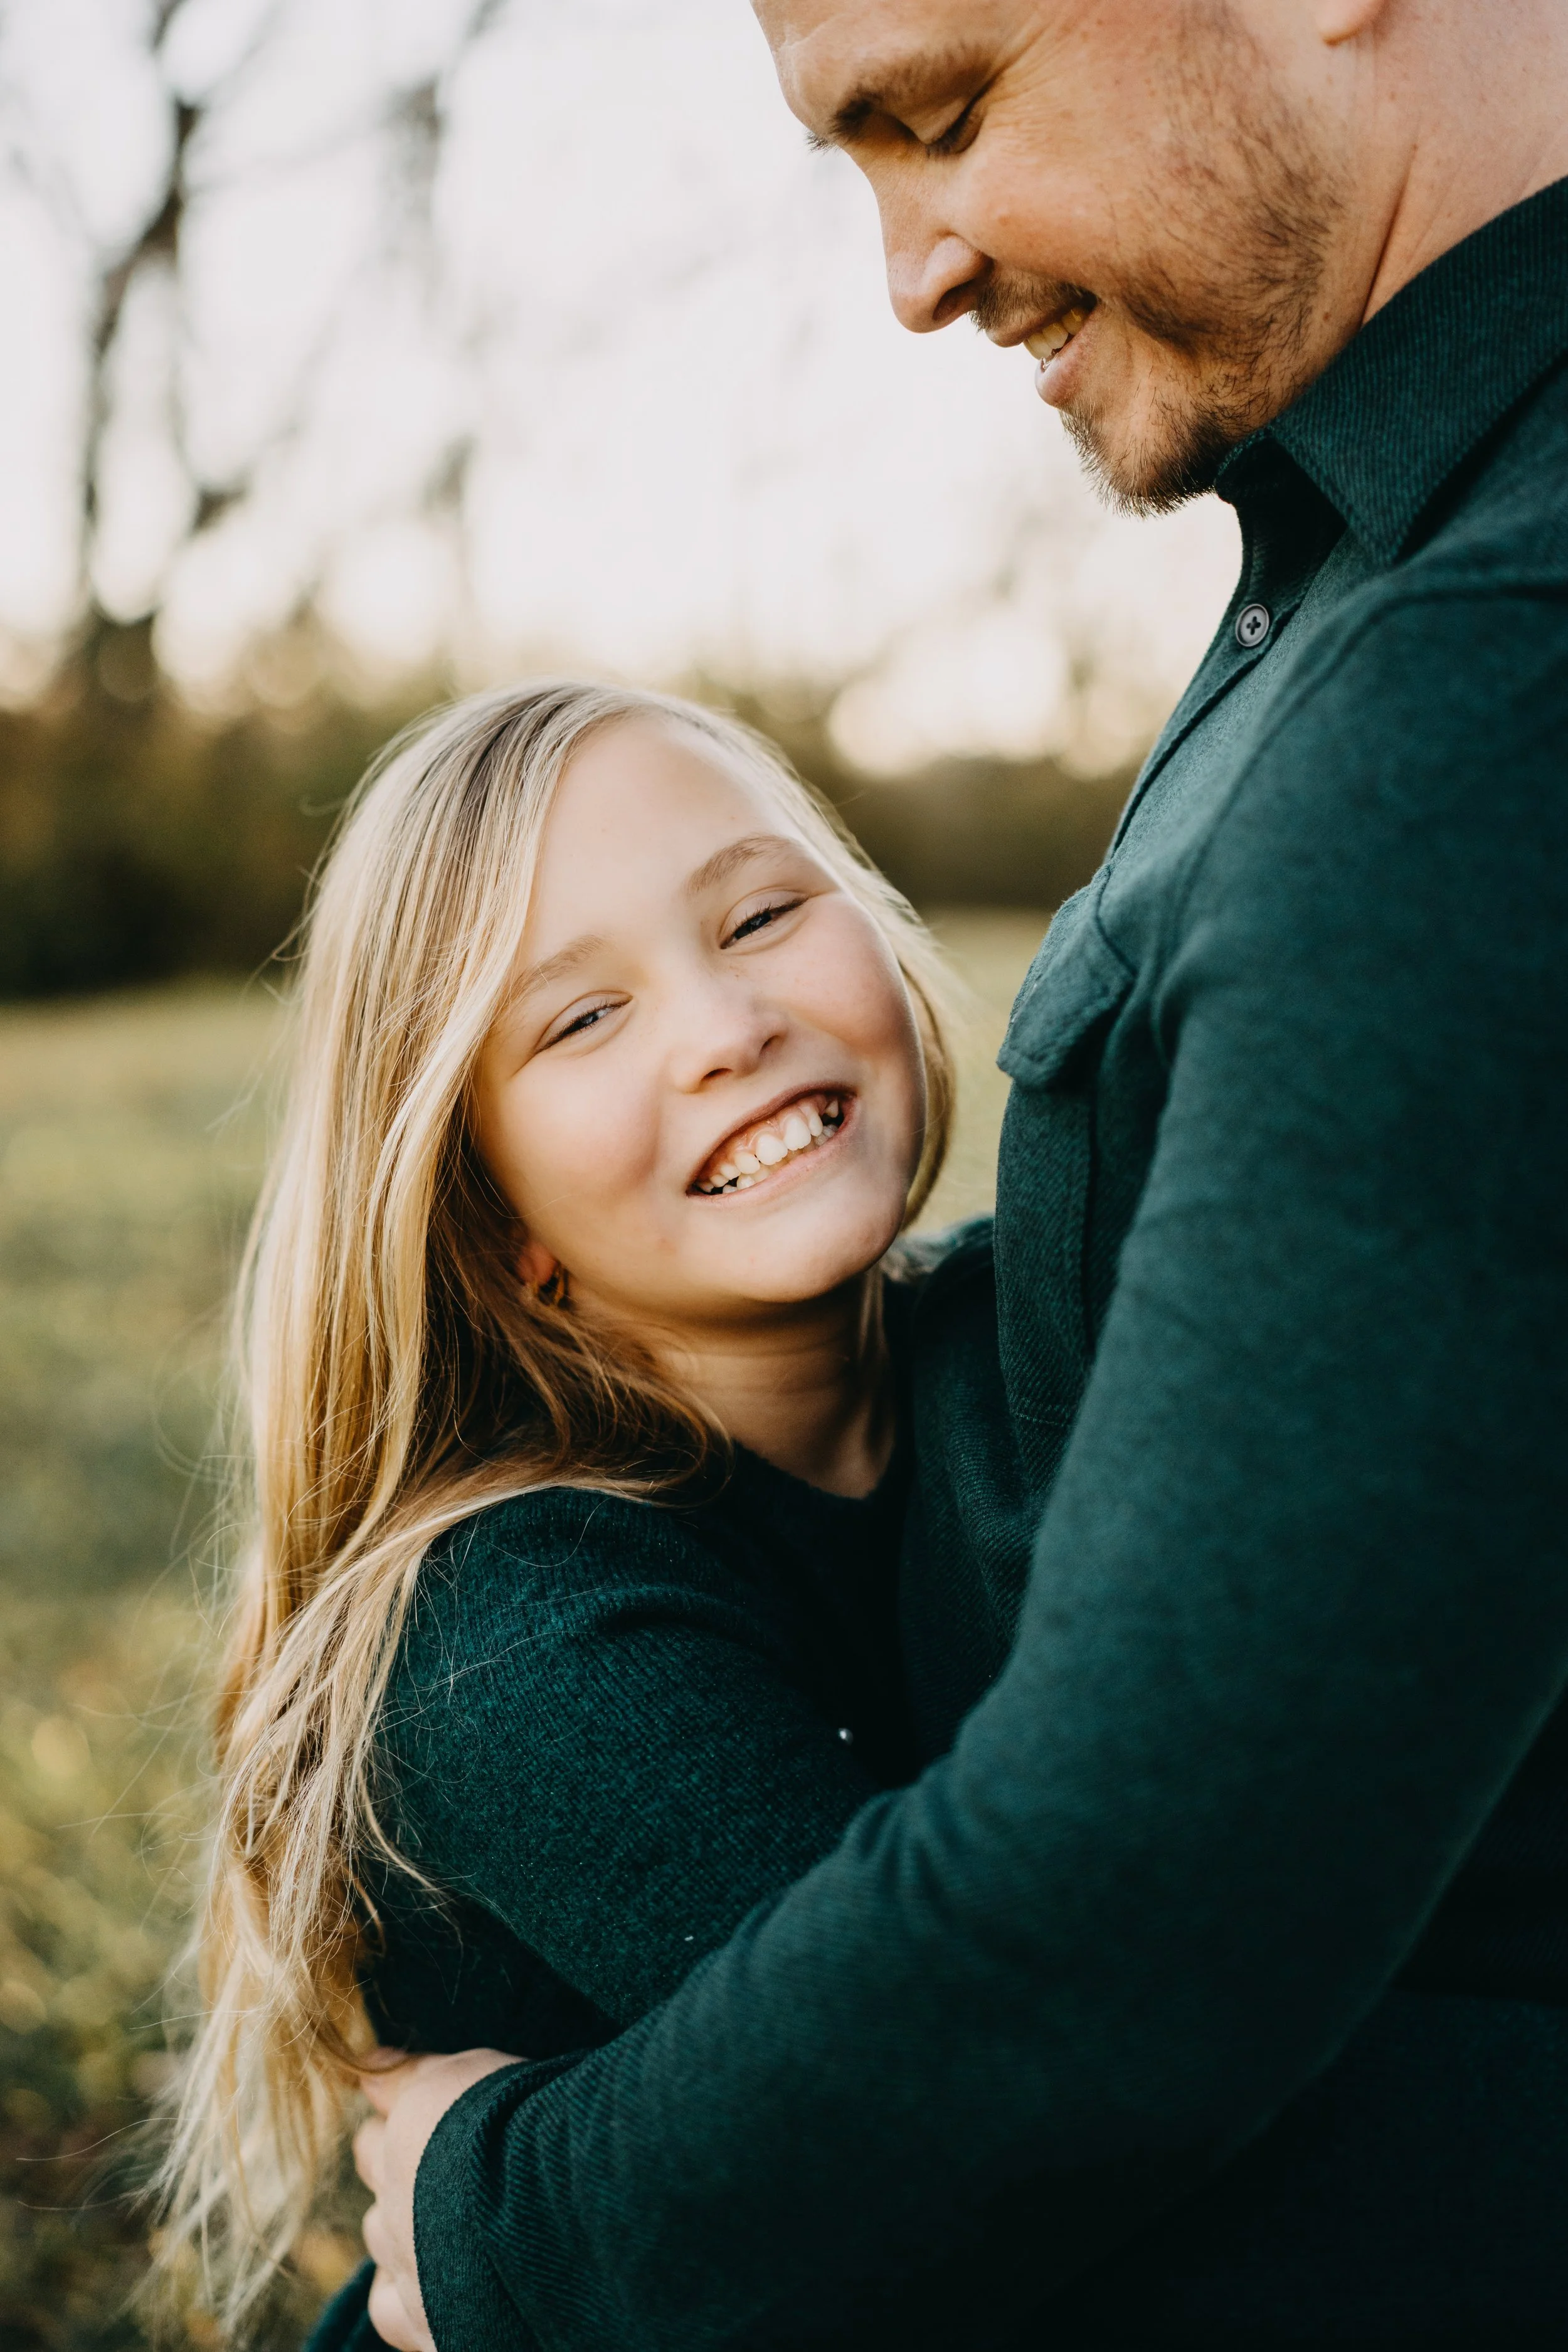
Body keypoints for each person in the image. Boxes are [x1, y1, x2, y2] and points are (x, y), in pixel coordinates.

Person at [352, 0, 1568, 2346]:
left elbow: (1110, 1969)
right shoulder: (1361, 573)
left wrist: (529, 2216)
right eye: (579, 1013)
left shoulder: (1476, 679)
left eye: (943, 107)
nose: (909, 267)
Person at [152, 679, 967, 2343]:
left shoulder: (1010, 1347)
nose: (720, 1024)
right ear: (490, 1217)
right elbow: (944, 2121)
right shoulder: (509, 1627)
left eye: (759, 912)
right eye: (580, 1019)